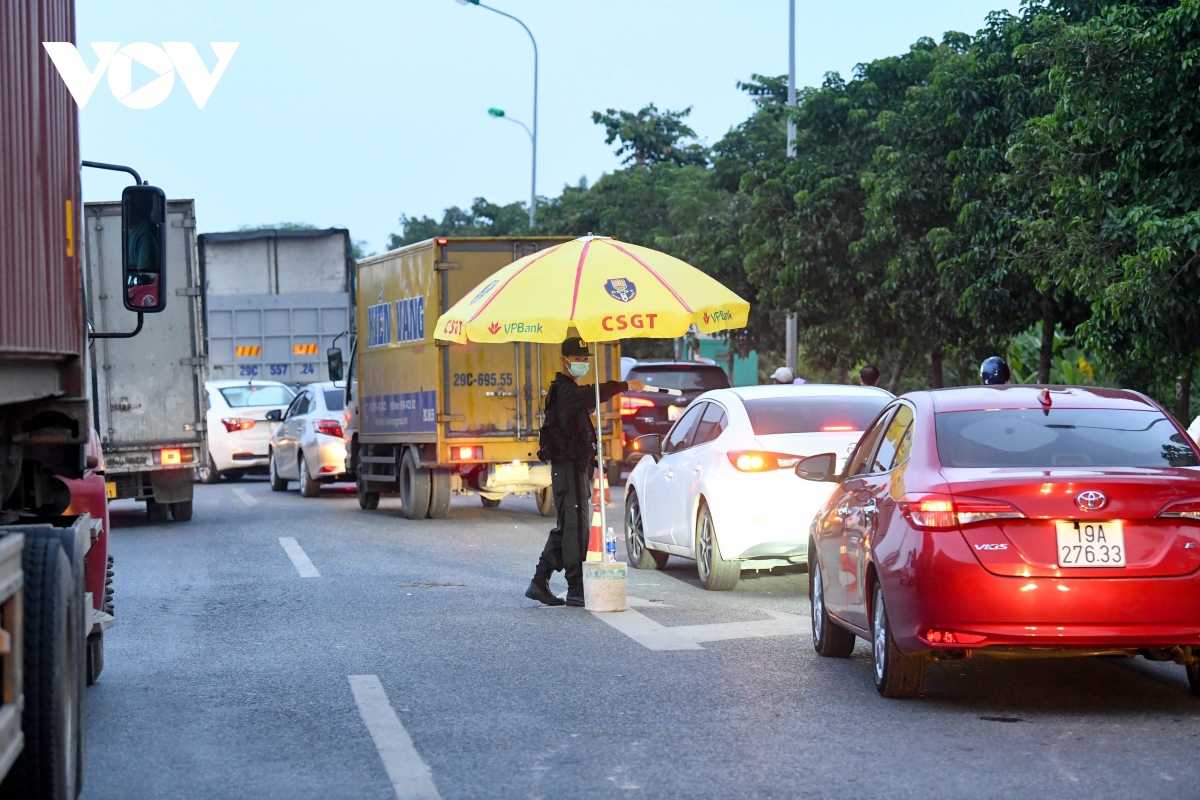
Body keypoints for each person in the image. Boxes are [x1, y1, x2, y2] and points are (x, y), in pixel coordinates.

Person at [526, 337, 645, 607]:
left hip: (576, 467)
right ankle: (576, 587)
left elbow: (588, 403)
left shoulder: (572, 392)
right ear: (564, 360)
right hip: (566, 469)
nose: (583, 363)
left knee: (571, 525)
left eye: (586, 359)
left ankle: (539, 580)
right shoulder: (564, 392)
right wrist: (624, 386)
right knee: (575, 528)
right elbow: (592, 393)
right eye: (578, 359)